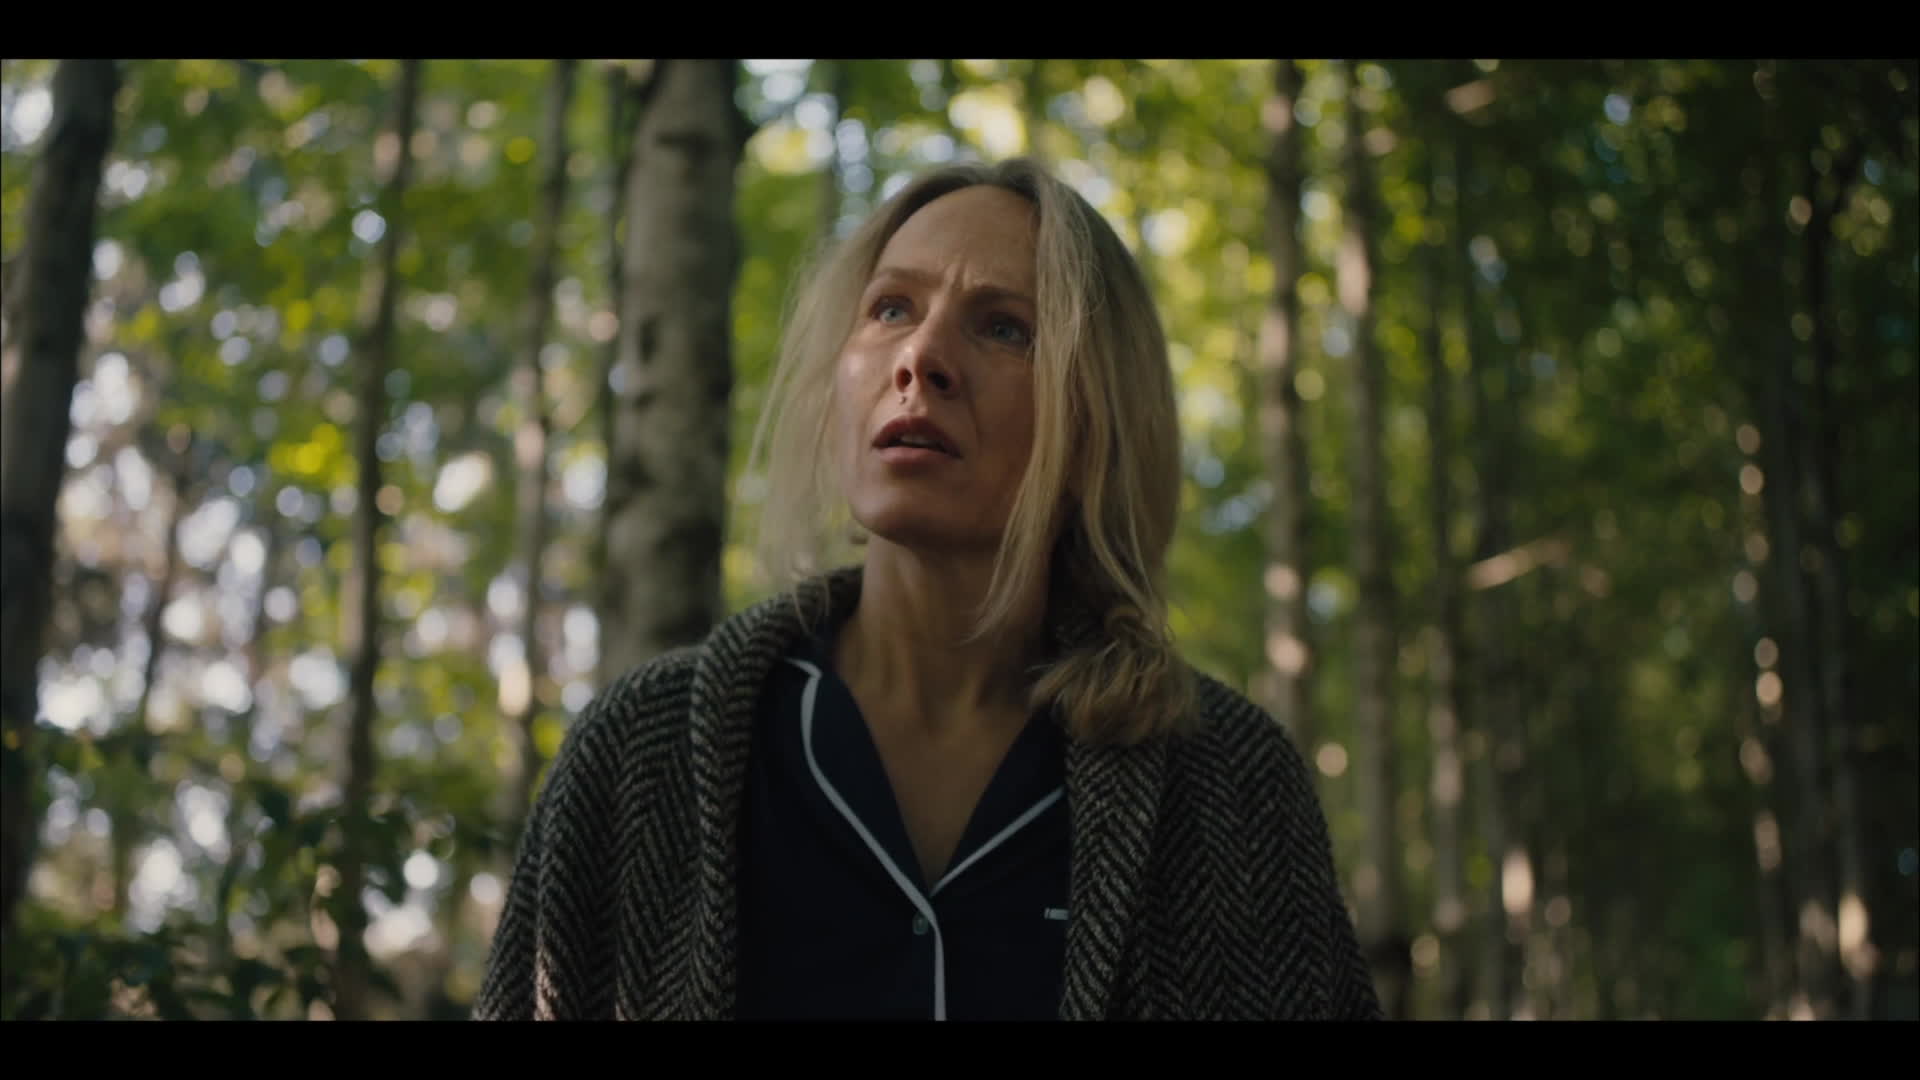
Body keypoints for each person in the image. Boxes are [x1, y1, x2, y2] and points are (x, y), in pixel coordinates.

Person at [473, 156, 1382, 1021]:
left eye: (1004, 328)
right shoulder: (640, 750)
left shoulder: (1230, 784)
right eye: (890, 308)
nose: (922, 356)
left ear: (1095, 423)